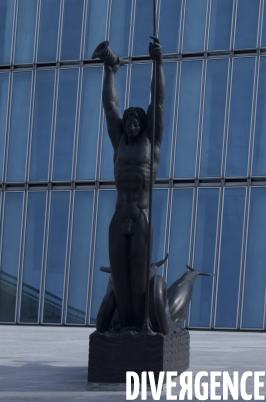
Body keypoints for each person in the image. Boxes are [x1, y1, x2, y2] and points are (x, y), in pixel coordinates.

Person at [101, 38, 165, 331]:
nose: (133, 125)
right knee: (119, 274)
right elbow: (110, 104)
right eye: (129, 121)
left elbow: (158, 101)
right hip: (119, 214)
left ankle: (145, 325)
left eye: (138, 121)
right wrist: (109, 71)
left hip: (140, 216)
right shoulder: (119, 144)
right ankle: (123, 325)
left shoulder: (151, 144)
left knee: (138, 277)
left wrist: (157, 63)